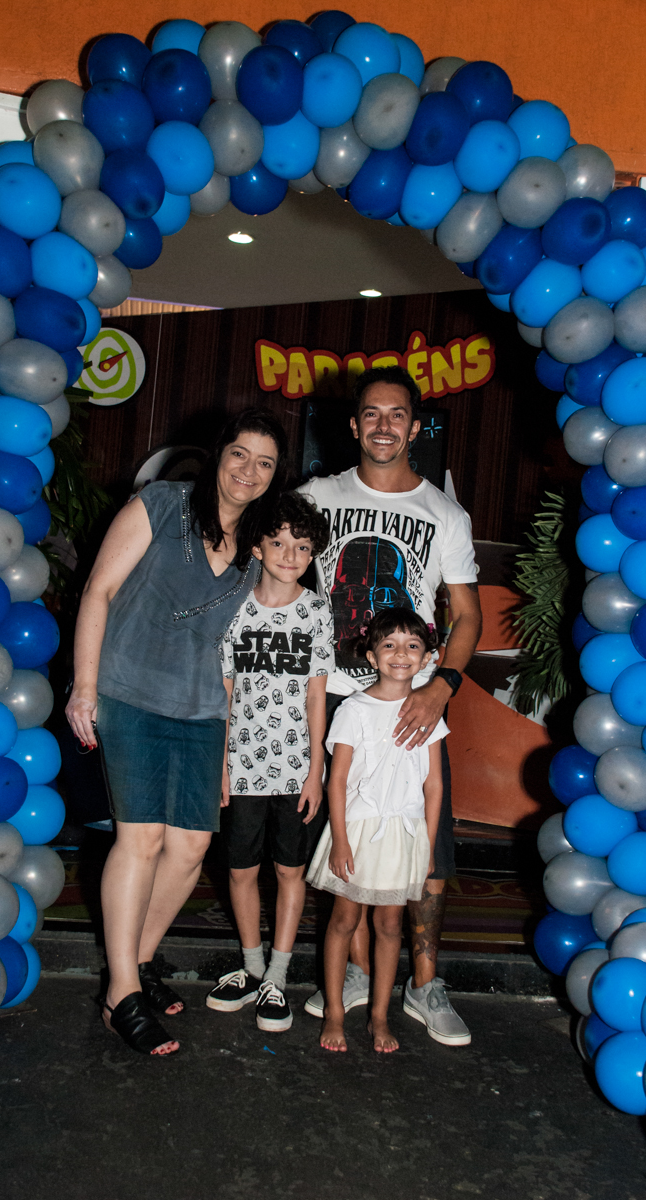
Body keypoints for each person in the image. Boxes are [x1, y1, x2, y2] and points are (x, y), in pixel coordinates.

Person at [65, 407, 288, 1057]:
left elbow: (249, 641)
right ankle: (122, 995)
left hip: (202, 709)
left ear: (275, 476)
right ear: (219, 454)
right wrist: (84, 687)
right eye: (240, 454)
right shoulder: (162, 504)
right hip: (130, 692)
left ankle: (133, 964)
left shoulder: (260, 546)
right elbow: (98, 591)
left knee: (190, 848)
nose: (248, 471)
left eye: (265, 463)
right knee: (141, 839)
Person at [298, 365, 482, 1046]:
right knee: (340, 843)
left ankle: (423, 983)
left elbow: (466, 615)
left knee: (425, 848)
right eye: (371, 414)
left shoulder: (444, 514)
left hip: (413, 703)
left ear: (415, 425)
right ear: (353, 425)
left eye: (396, 414)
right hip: (333, 699)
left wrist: (442, 686)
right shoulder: (316, 497)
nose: (383, 425)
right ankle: (352, 974)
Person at [206, 493, 333, 1032]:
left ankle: (278, 976)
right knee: (240, 870)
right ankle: (252, 967)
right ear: (257, 547)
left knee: (289, 870)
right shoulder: (234, 605)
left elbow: (317, 696)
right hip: (240, 765)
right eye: (278, 543)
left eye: (302, 547)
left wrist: (315, 770)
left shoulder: (316, 611)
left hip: (295, 766)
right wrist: (220, 765)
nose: (290, 555)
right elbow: (224, 692)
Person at [308, 608, 446, 1053]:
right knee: (344, 920)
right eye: (389, 645)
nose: (400, 654)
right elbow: (337, 781)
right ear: (371, 656)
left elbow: (434, 786)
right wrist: (340, 840)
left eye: (412, 646)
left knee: (389, 925)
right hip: (358, 831)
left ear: (427, 658)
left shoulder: (429, 713)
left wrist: (427, 845)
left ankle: (379, 1016)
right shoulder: (354, 709)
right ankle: (334, 1012)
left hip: (404, 833)